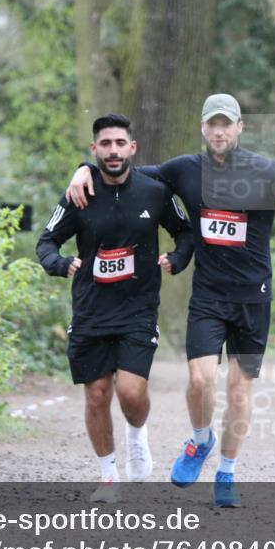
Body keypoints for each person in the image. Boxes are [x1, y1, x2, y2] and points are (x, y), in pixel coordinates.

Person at [66, 94, 275, 507]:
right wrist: (83, 168)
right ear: (202, 128)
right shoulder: (184, 170)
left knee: (239, 391)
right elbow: (124, 173)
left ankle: (226, 474)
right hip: (208, 295)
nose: (219, 131)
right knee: (199, 381)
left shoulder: (264, 172)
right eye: (213, 124)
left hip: (253, 299)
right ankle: (199, 441)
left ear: (240, 128)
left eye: (227, 124)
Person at [37, 114, 193, 503]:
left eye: (119, 143)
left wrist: (178, 257)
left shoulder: (154, 191)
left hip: (138, 307)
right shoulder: (79, 194)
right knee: (96, 394)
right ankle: (108, 476)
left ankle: (137, 436)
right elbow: (46, 242)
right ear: (94, 150)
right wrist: (60, 264)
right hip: (91, 310)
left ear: (132, 148)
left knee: (130, 392)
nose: (113, 151)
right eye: (105, 144)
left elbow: (185, 231)